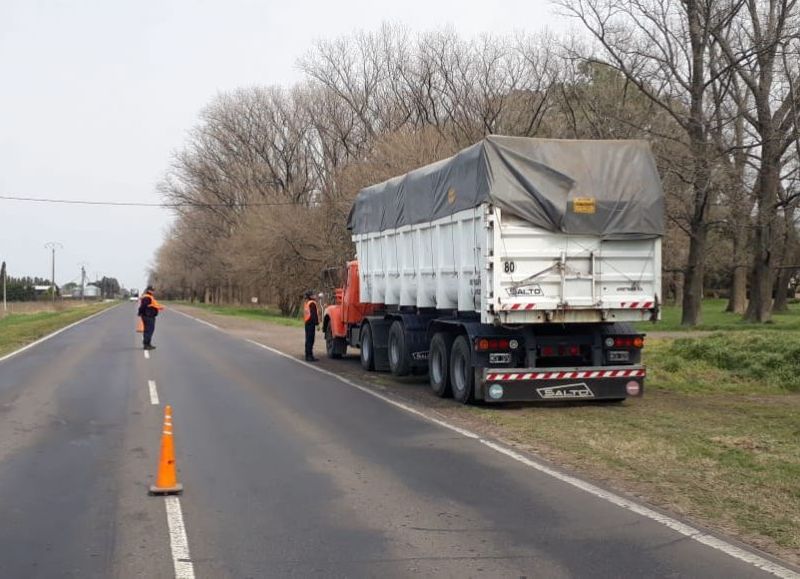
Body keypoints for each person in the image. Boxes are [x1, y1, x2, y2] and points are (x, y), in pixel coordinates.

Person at [138, 286, 164, 350]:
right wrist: (141, 312)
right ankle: (146, 345)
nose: (153, 291)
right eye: (152, 290)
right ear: (149, 290)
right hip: (148, 316)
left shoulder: (149, 297)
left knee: (149, 330)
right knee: (148, 331)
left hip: (149, 316)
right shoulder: (147, 297)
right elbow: (143, 306)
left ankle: (148, 344)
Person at [303, 290, 320, 361]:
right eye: (313, 295)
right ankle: (309, 356)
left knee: (308, 340)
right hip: (311, 323)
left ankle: (308, 355)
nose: (315, 296)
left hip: (307, 323)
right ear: (310, 296)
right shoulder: (312, 303)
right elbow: (314, 315)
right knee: (310, 340)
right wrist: (317, 324)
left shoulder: (307, 303)